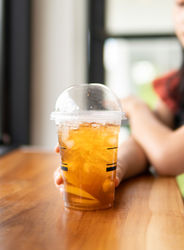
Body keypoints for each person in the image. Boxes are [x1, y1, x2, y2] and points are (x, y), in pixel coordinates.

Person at [54, 0, 184, 188]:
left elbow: (165, 154)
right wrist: (112, 165)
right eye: (181, 5)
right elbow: (146, 143)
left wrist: (135, 107)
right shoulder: (176, 84)